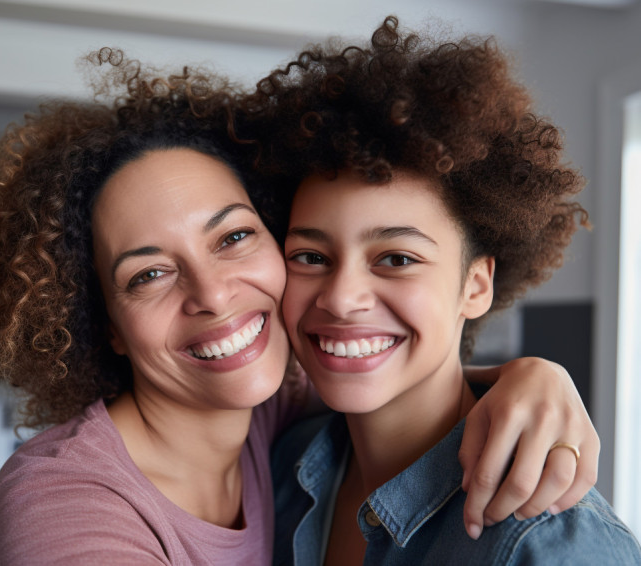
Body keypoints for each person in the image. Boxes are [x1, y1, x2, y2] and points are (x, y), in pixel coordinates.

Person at [0, 49, 599, 564]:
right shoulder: (68, 513)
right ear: (106, 322)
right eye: (148, 275)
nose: (211, 296)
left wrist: (528, 378)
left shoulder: (289, 420)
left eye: (234, 237)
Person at [262, 16, 641, 564]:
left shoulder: (547, 540)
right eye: (311, 257)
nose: (341, 298)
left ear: (476, 285)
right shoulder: (288, 464)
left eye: (396, 258)